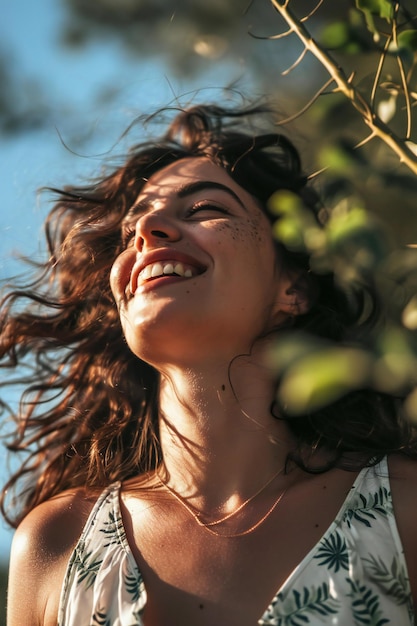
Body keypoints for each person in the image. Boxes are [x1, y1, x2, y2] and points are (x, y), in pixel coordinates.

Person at [2, 103, 417, 626]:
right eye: (132, 231)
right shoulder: (56, 545)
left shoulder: (404, 516)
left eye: (202, 209)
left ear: (295, 286)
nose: (148, 228)